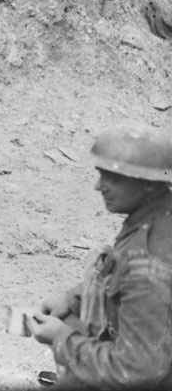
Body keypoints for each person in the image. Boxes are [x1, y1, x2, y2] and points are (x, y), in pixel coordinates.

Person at [29, 125, 172, 388]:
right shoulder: (159, 214)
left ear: (150, 185)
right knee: (71, 319)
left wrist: (62, 339)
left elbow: (136, 370)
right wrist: (71, 299)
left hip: (151, 372)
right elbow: (123, 278)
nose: (98, 187)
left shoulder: (148, 263)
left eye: (113, 179)